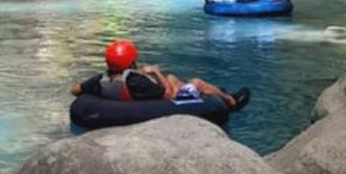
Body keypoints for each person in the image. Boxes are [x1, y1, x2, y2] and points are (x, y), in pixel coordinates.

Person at [73, 39, 249, 111]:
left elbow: (75, 90)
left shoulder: (99, 81)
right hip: (158, 103)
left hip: (129, 99)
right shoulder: (136, 81)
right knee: (196, 82)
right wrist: (155, 72)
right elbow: (168, 95)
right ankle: (230, 101)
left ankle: (212, 91)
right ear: (130, 61)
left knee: (172, 77)